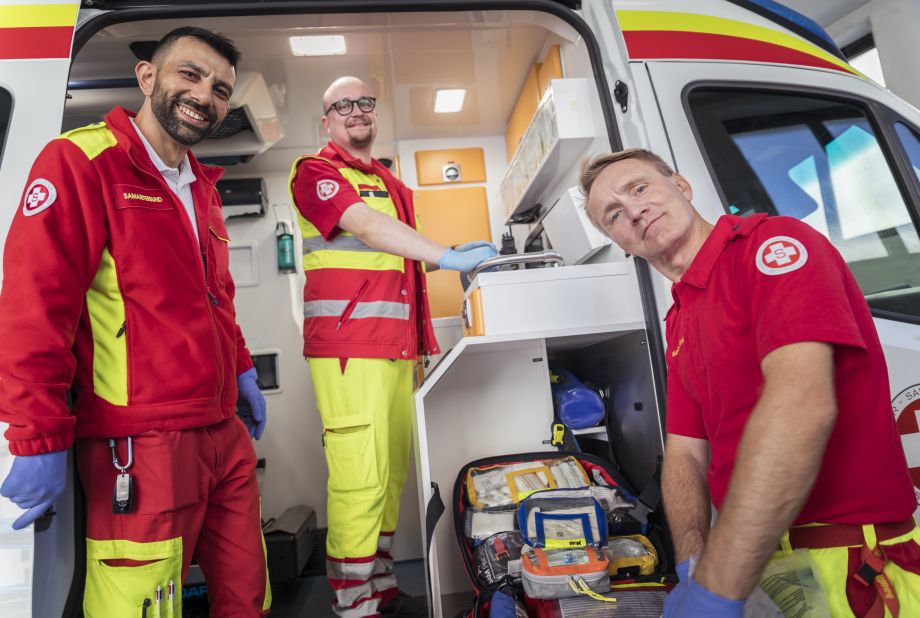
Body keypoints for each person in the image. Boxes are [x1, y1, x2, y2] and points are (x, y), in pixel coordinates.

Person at [0, 27, 271, 616]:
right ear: (147, 77)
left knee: (248, 596)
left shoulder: (202, 188)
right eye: (190, 75)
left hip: (222, 434)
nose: (206, 95)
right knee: (139, 604)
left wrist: (242, 371)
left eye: (221, 88)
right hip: (139, 444)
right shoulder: (81, 161)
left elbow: (216, 298)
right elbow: (33, 307)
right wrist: (38, 435)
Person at [580, 148, 919, 617]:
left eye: (639, 188)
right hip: (760, 568)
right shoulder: (679, 319)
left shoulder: (770, 247)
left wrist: (718, 585)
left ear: (681, 186)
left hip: (852, 567)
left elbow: (801, 406)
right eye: (613, 214)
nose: (633, 210)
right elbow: (684, 452)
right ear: (621, 242)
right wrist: (693, 561)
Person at [288, 76, 496, 617]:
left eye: (365, 103)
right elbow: (365, 227)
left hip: (399, 350)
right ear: (326, 121)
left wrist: (444, 257)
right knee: (360, 476)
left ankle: (378, 587)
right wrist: (448, 254)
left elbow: (401, 253)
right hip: (350, 348)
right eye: (343, 105)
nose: (356, 111)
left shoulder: (390, 181)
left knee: (390, 476)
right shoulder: (317, 172)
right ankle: (353, 603)